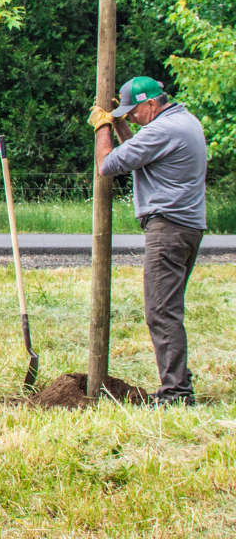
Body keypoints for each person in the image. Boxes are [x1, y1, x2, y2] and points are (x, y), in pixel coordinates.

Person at [90, 75, 208, 406]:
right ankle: (180, 382)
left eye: (134, 112)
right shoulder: (184, 122)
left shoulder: (163, 130)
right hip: (187, 228)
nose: (131, 118)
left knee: (161, 312)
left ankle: (176, 393)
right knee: (167, 308)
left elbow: (108, 164)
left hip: (168, 229)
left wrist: (103, 127)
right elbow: (142, 151)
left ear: (151, 104)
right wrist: (124, 125)